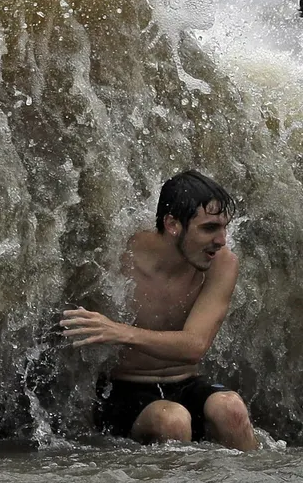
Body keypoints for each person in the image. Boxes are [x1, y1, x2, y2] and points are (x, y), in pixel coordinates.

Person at [60, 169, 258, 450]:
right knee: (173, 420)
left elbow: (195, 346)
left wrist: (118, 332)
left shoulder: (222, 263)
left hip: (186, 382)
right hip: (124, 391)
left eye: (224, 227)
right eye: (209, 228)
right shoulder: (116, 259)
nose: (222, 240)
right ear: (172, 224)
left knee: (232, 409)